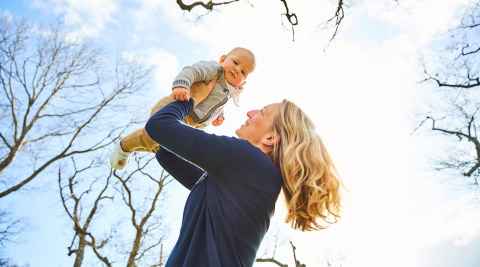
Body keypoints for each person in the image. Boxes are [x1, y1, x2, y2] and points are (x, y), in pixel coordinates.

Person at [144, 93, 342, 266]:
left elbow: (160, 126)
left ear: (270, 139)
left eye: (262, 112)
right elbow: (167, 153)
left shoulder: (249, 160)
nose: (250, 113)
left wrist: (193, 98)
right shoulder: (248, 178)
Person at [110, 47, 256, 170]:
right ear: (223, 59)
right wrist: (182, 85)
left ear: (245, 80)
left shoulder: (228, 92)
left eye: (243, 72)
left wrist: (219, 117)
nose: (237, 70)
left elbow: (215, 105)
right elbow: (192, 71)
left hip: (192, 123)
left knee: (161, 145)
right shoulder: (214, 70)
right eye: (236, 62)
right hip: (177, 103)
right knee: (154, 135)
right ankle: (124, 146)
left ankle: (135, 146)